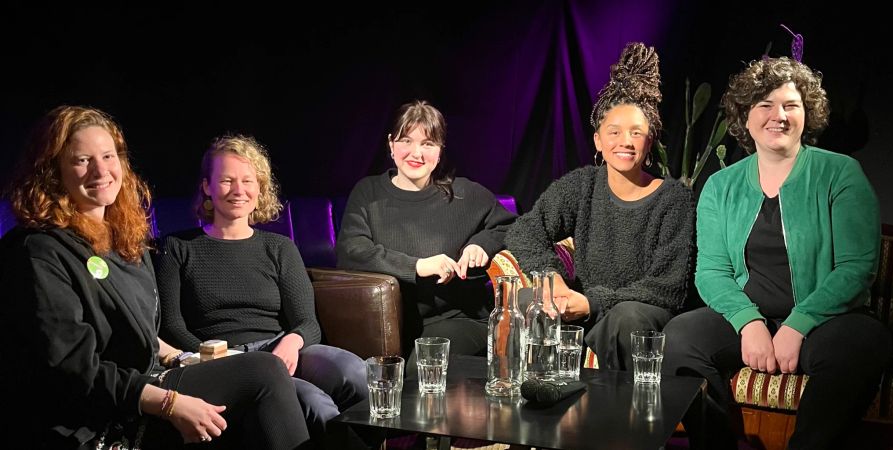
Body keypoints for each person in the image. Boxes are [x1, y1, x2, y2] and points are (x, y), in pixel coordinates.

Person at [0, 105, 310, 449]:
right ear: (52, 172)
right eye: (82, 160)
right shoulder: (38, 251)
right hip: (97, 417)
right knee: (263, 373)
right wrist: (171, 403)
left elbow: (143, 333)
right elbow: (71, 370)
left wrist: (183, 358)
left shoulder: (122, 240)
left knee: (263, 372)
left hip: (145, 383)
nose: (101, 170)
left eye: (108, 156)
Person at [662, 56, 891, 450]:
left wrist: (799, 323)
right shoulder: (720, 186)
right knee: (678, 339)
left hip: (827, 320)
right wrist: (748, 322)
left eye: (791, 105)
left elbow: (856, 269)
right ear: (745, 118)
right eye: (764, 105)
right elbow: (711, 271)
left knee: (863, 344)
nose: (778, 116)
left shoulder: (841, 173)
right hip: (750, 316)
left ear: (808, 113)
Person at [155, 135, 367, 440]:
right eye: (227, 180)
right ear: (207, 187)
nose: (239, 190)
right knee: (316, 405)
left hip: (279, 348)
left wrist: (292, 342)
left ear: (260, 187)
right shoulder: (178, 248)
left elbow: (307, 323)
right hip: (222, 359)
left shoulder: (279, 247)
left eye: (248, 180)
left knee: (357, 374)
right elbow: (172, 326)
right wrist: (219, 360)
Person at [505, 42, 695, 371]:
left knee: (625, 317)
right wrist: (553, 283)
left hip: (639, 310)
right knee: (530, 302)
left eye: (637, 132)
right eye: (614, 131)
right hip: (584, 305)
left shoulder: (673, 198)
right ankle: (537, 404)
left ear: (650, 141)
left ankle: (614, 419)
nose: (625, 141)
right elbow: (526, 229)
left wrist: (592, 303)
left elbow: (668, 287)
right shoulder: (583, 185)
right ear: (598, 140)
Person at [335, 100, 517, 372]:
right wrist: (418, 266)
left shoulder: (465, 194)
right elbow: (351, 251)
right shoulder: (368, 193)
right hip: (387, 327)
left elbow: (512, 227)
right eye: (406, 140)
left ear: (440, 150)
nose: (416, 153)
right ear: (390, 144)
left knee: (419, 371)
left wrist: (480, 245)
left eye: (428, 144)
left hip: (457, 320)